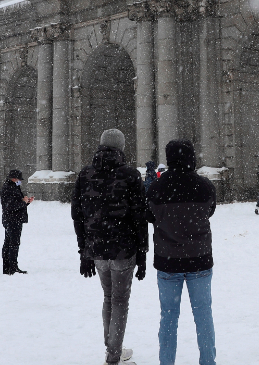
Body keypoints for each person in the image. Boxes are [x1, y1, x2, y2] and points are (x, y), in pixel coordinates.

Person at [72, 129, 148, 365]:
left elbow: (78, 215)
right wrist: (143, 253)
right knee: (120, 300)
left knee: (108, 297)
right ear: (121, 148)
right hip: (123, 248)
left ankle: (112, 348)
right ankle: (114, 355)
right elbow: (139, 216)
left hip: (97, 249)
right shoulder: (130, 175)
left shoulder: (85, 174)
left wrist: (84, 251)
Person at [146, 140, 217, 365]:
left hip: (168, 261)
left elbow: (150, 216)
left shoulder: (157, 187)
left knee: (168, 318)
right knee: (203, 316)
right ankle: (208, 362)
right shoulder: (205, 186)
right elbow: (210, 211)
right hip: (199, 260)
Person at [1, 169, 33, 274]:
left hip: (13, 219)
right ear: (14, 179)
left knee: (10, 243)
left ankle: (9, 267)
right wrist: (23, 202)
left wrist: (26, 202)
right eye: (19, 179)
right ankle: (11, 267)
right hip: (12, 220)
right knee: (12, 244)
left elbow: (16, 204)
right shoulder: (8, 188)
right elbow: (9, 206)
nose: (20, 181)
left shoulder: (13, 187)